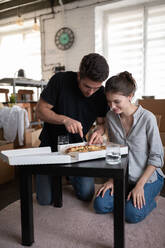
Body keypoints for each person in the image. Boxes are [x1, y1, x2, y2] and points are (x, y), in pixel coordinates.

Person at [36, 53, 109, 205]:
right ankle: (63, 172)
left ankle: (69, 174)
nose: (91, 92)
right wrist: (64, 120)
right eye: (87, 86)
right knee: (44, 200)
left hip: (78, 149)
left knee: (86, 195)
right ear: (78, 76)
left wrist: (99, 131)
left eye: (95, 88)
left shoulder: (100, 94)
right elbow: (40, 111)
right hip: (50, 145)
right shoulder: (60, 80)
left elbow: (102, 122)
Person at [93, 71, 164, 223]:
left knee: (131, 214)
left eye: (117, 101)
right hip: (123, 176)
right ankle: (128, 196)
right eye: (109, 102)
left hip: (148, 177)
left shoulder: (148, 118)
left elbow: (157, 157)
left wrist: (139, 186)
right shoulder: (111, 117)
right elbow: (114, 150)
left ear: (130, 96)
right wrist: (112, 179)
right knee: (99, 204)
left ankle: (151, 201)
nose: (112, 106)